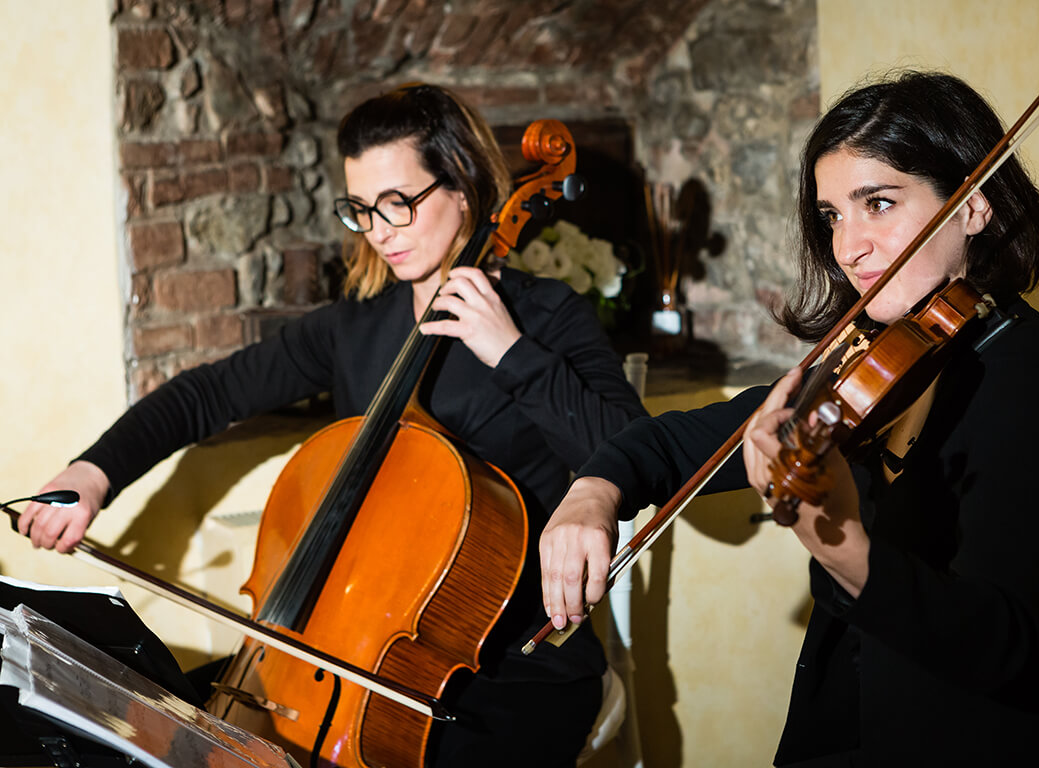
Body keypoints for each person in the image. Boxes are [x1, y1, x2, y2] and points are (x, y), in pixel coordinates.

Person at [19, 83, 647, 767]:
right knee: (146, 736)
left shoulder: (547, 316)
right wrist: (92, 473)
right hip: (348, 654)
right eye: (361, 210)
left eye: (398, 204)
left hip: (509, 664)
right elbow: (209, 391)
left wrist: (511, 352)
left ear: (463, 187)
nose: (380, 232)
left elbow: (633, 450)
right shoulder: (357, 326)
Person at [539, 71, 1039, 766]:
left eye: (878, 204)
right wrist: (594, 491)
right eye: (832, 216)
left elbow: (999, 648)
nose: (848, 246)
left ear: (973, 206)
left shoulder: (1037, 373)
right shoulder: (873, 364)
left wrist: (842, 549)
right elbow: (681, 440)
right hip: (854, 727)